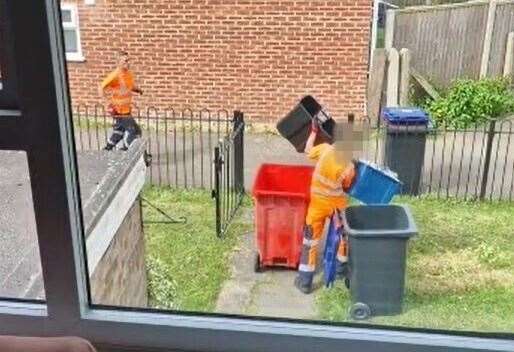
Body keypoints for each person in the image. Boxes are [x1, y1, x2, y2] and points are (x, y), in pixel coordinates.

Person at [294, 118, 359, 294]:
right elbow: (347, 186)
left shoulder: (324, 150)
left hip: (317, 205)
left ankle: (305, 281)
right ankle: (340, 270)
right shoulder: (349, 166)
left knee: (310, 240)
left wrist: (314, 132)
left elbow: (307, 150)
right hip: (337, 206)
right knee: (342, 237)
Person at [100, 50, 143, 151]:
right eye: (125, 61)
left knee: (119, 131)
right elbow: (101, 87)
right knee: (135, 131)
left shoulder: (128, 74)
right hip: (118, 110)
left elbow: (128, 86)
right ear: (118, 63)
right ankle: (127, 151)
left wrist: (138, 90)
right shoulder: (115, 75)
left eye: (129, 60)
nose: (128, 63)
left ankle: (107, 149)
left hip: (126, 109)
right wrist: (107, 104)